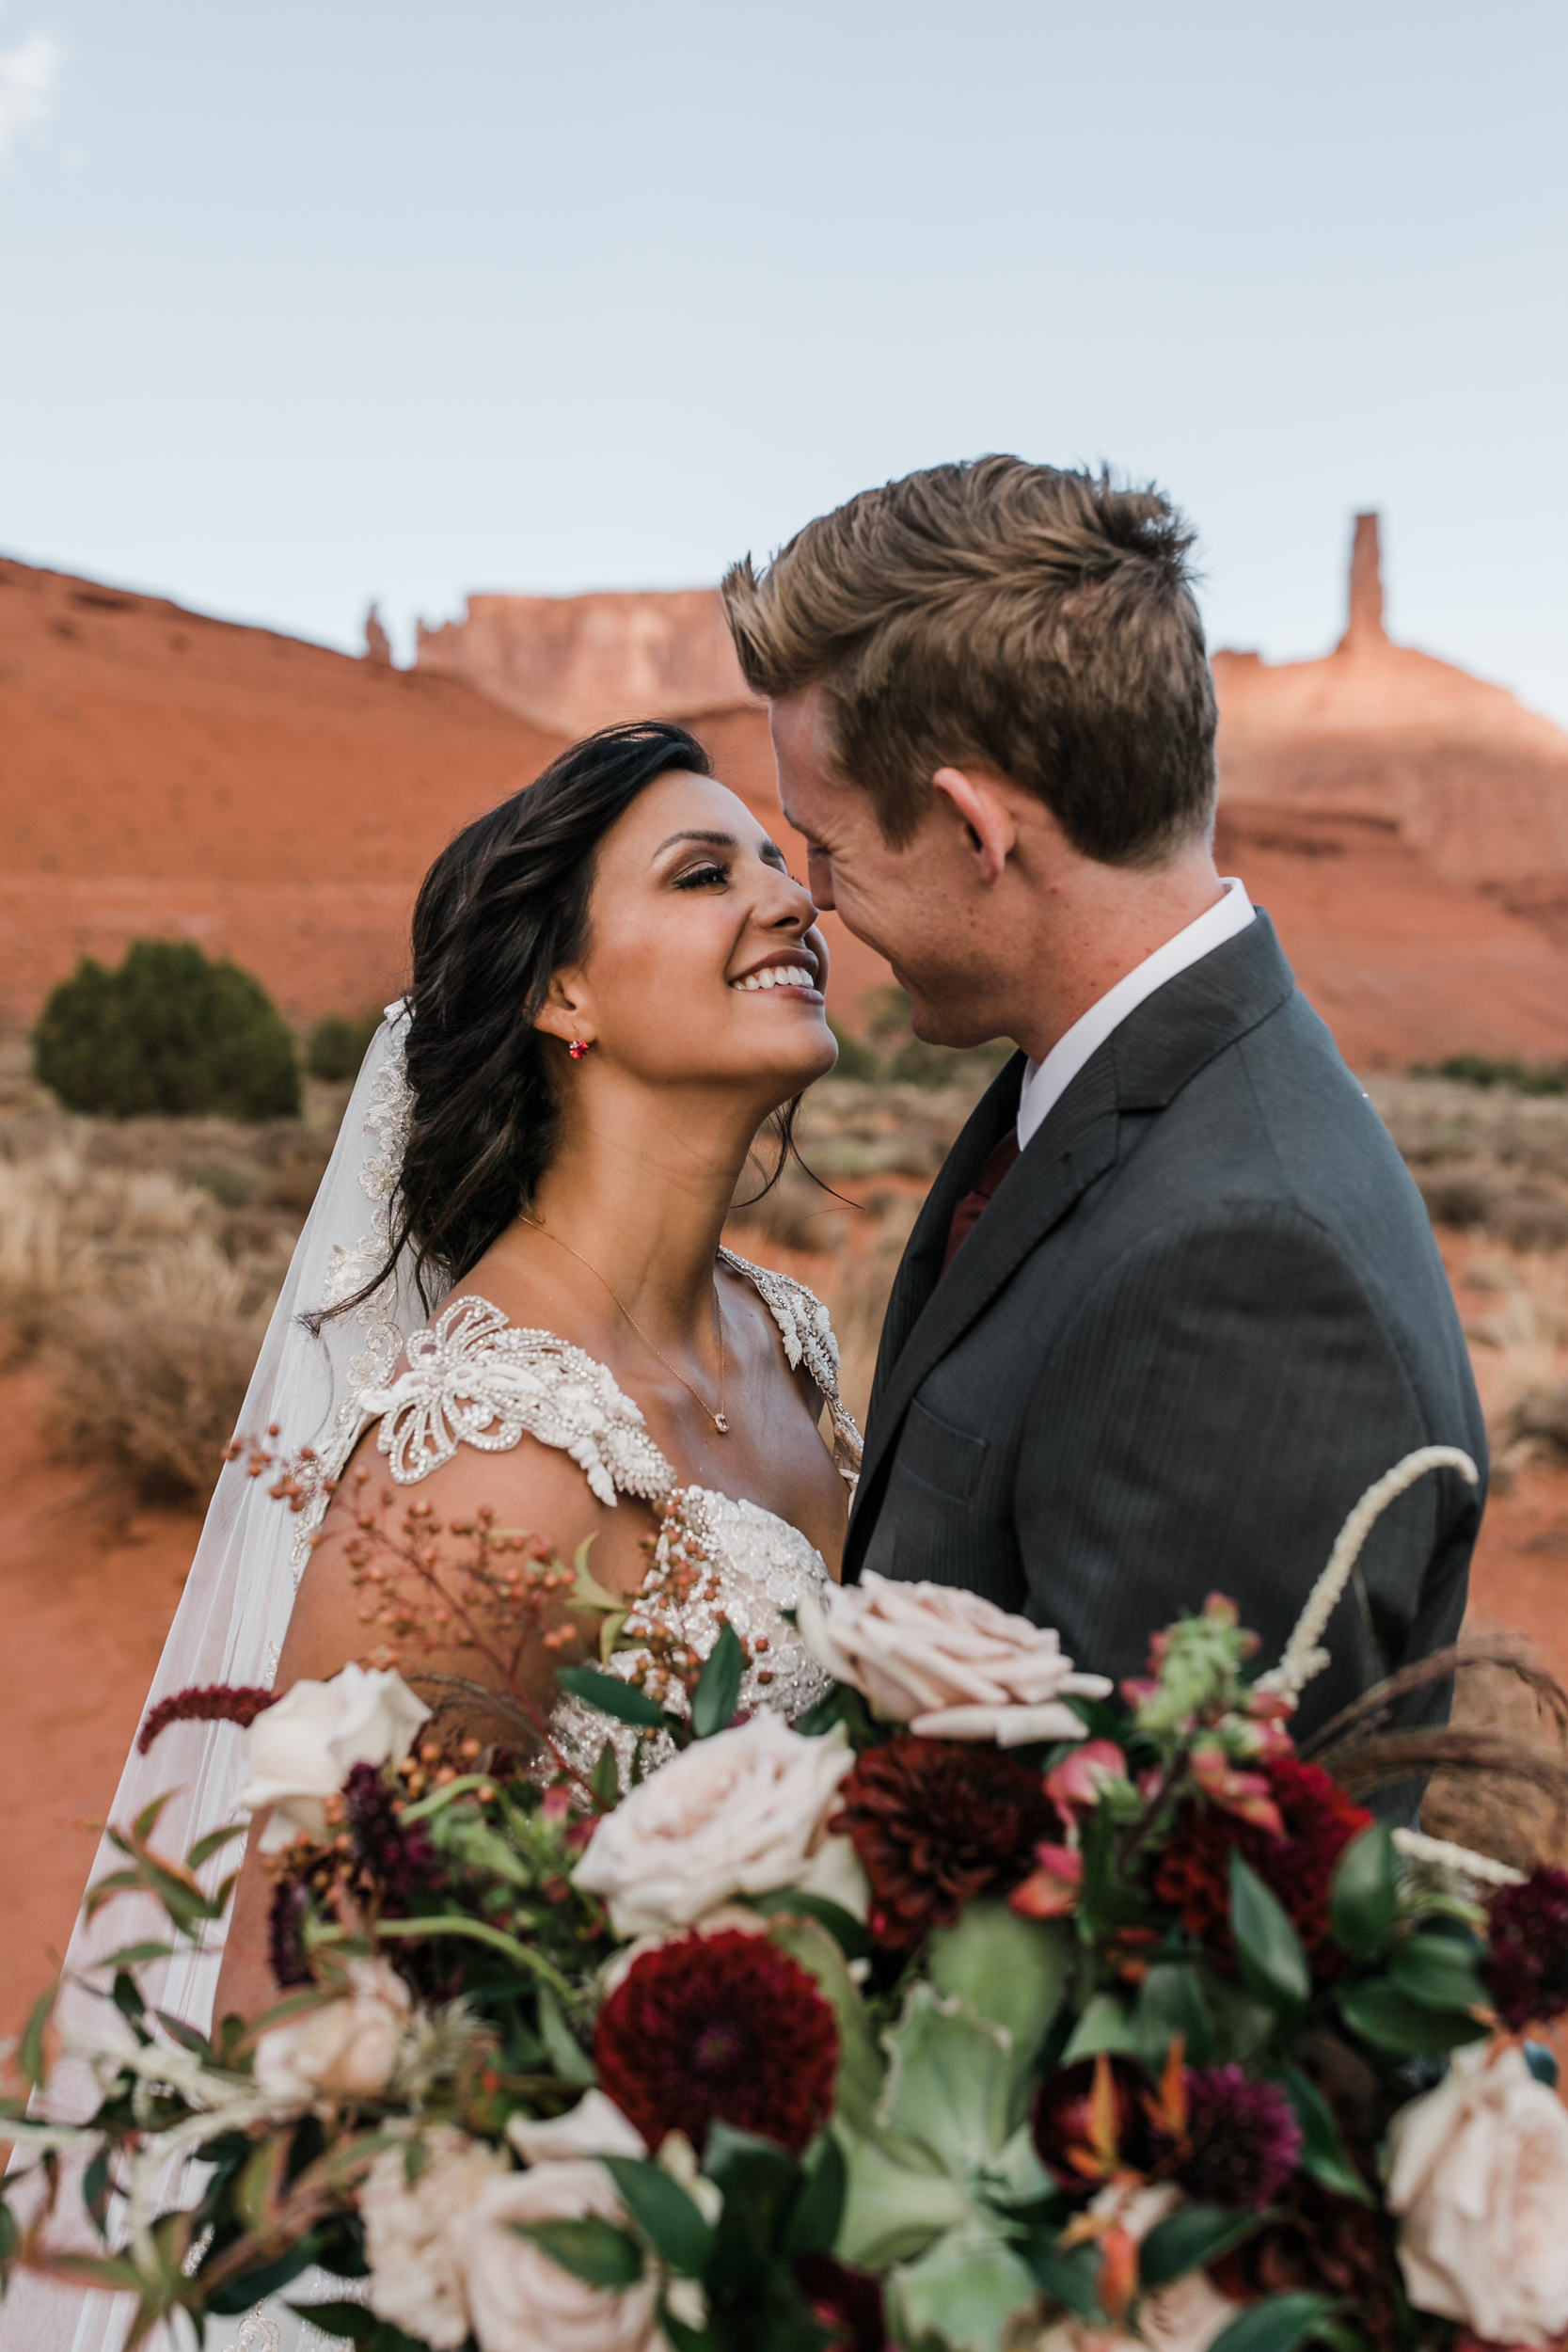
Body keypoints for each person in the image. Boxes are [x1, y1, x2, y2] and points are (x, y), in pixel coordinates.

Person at [9, 722, 865, 2352]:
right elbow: (312, 1994)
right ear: (567, 1000)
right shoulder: (490, 1454)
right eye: (706, 874)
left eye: (777, 859)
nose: (785, 899)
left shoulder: (788, 1342)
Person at [721, 455, 1487, 1752]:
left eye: (830, 847)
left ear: (975, 830)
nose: (823, 902)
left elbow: (1142, 1896)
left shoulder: (1243, 1262)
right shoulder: (1096, 1096)